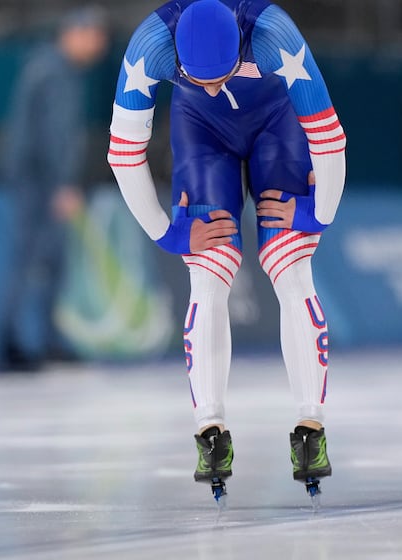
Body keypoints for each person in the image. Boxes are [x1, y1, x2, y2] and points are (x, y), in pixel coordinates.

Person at [107, 0, 345, 499]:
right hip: (201, 133)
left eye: (223, 75)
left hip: (277, 124)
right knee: (208, 268)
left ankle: (311, 428)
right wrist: (166, 234)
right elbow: (123, 153)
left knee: (291, 262)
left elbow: (328, 138)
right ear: (178, 58)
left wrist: (316, 214)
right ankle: (209, 428)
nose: (215, 86)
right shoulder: (151, 43)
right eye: (202, 78)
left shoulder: (272, 31)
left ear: (241, 47)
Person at [0, 7, 109, 370]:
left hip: (35, 178)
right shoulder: (54, 73)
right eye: (94, 36)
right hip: (39, 181)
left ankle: (45, 339)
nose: (99, 45)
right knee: (31, 257)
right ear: (74, 33)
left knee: (51, 260)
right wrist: (61, 184)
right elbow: (53, 135)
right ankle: (10, 343)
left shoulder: (47, 67)